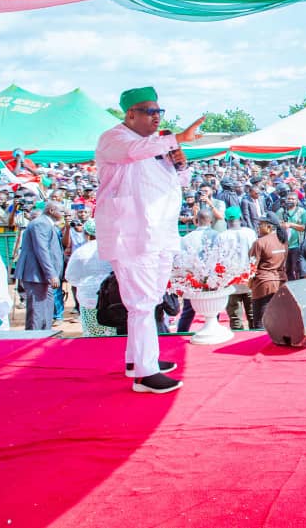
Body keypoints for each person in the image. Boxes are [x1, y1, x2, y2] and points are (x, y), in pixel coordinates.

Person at [95, 86, 203, 393]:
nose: (157, 117)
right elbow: (133, 154)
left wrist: (179, 162)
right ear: (131, 114)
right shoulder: (115, 139)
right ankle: (145, 373)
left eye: (159, 112)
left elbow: (177, 181)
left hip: (158, 233)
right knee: (142, 303)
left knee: (148, 300)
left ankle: (136, 360)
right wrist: (177, 138)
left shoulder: (155, 146)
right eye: (150, 112)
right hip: (130, 235)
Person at [15, 201, 65, 330]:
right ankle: (33, 340)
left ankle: (45, 337)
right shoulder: (41, 223)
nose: (64, 214)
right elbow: (41, 250)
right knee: (37, 313)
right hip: (35, 274)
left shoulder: (47, 223)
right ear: (52, 210)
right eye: (62, 211)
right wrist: (52, 274)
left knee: (46, 310)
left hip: (42, 275)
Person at [64, 219, 116, 336]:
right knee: (111, 335)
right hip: (110, 299)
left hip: (88, 298)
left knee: (91, 336)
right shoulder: (113, 250)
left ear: (86, 234)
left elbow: (70, 276)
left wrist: (85, 283)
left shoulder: (80, 252)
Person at [218, 206, 258, 330]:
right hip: (249, 280)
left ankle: (237, 342)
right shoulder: (250, 233)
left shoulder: (222, 236)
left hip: (231, 282)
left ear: (225, 220)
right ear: (240, 218)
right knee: (253, 316)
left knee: (235, 318)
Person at [249, 212, 289, 326]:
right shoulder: (283, 240)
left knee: (260, 321)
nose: (258, 227)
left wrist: (250, 283)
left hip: (263, 285)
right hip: (280, 283)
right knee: (278, 319)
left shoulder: (260, 242)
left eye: (260, 224)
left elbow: (252, 267)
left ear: (269, 227)